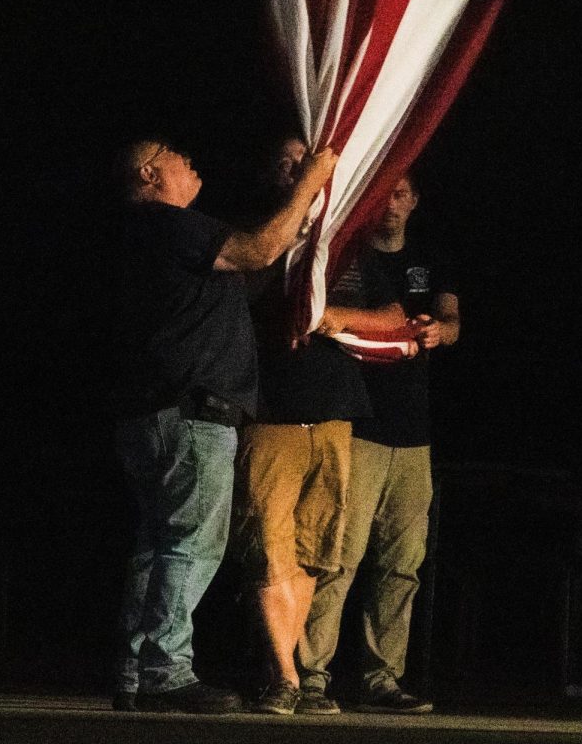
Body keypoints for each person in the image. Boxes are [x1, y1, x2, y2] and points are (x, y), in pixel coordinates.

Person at [110, 136, 337, 713]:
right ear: (149, 172)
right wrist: (311, 182)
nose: (192, 160)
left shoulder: (144, 238)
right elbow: (258, 251)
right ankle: (166, 672)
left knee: (157, 547)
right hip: (190, 414)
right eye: (175, 155)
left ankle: (137, 672)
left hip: (153, 414)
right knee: (190, 545)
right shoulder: (167, 224)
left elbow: (256, 263)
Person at [232, 141, 412, 717]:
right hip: (272, 412)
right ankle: (283, 674)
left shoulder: (345, 245)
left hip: (333, 411)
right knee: (268, 547)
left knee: (313, 551)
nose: (299, 168)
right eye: (287, 161)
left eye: (306, 159)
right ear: (270, 172)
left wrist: (331, 317)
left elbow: (394, 319)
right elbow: (250, 294)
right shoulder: (256, 234)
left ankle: (292, 674)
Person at [298, 172, 459, 714]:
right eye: (383, 193)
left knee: (402, 562)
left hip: (414, 435)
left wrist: (440, 331)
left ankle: (381, 678)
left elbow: (451, 316)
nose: (390, 203)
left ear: (414, 200)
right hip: (359, 426)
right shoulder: (347, 256)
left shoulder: (430, 257)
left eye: (401, 193)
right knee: (339, 556)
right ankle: (309, 674)